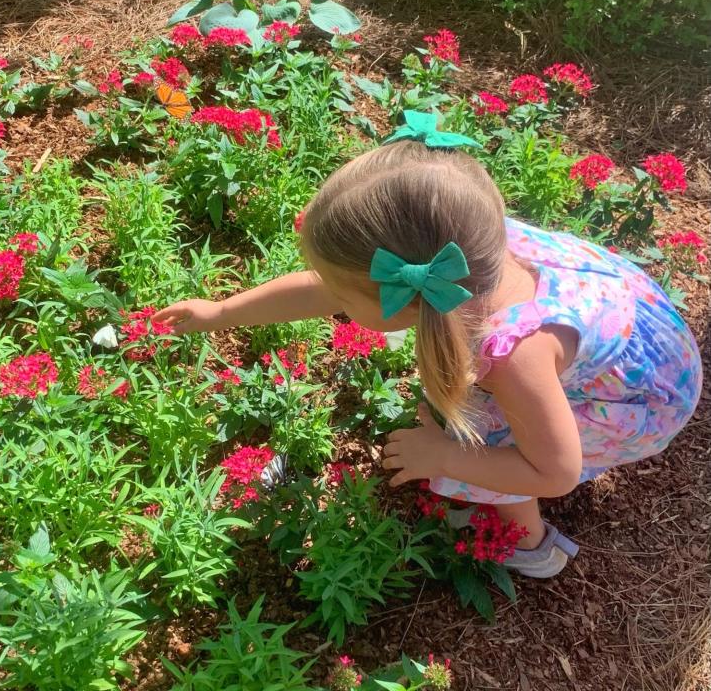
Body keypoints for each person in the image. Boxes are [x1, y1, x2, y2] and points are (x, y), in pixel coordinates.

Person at [154, 116, 703, 577]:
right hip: (637, 324)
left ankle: (532, 547)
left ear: (404, 299)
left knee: (485, 436)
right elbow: (326, 291)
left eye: (346, 295)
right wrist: (221, 312)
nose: (333, 298)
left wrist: (446, 455)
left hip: (645, 399)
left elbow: (555, 471)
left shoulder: (511, 357)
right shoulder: (463, 241)